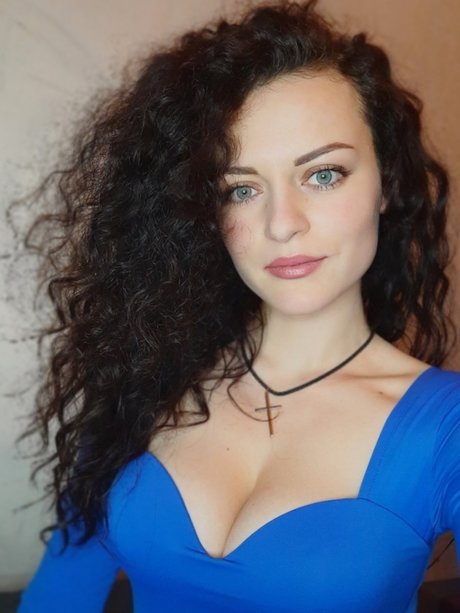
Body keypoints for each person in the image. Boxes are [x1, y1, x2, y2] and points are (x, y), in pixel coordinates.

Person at [17, 1, 460, 611]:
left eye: (323, 174)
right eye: (242, 188)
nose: (282, 224)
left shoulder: (445, 428)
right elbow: (58, 598)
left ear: (386, 181)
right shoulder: (146, 378)